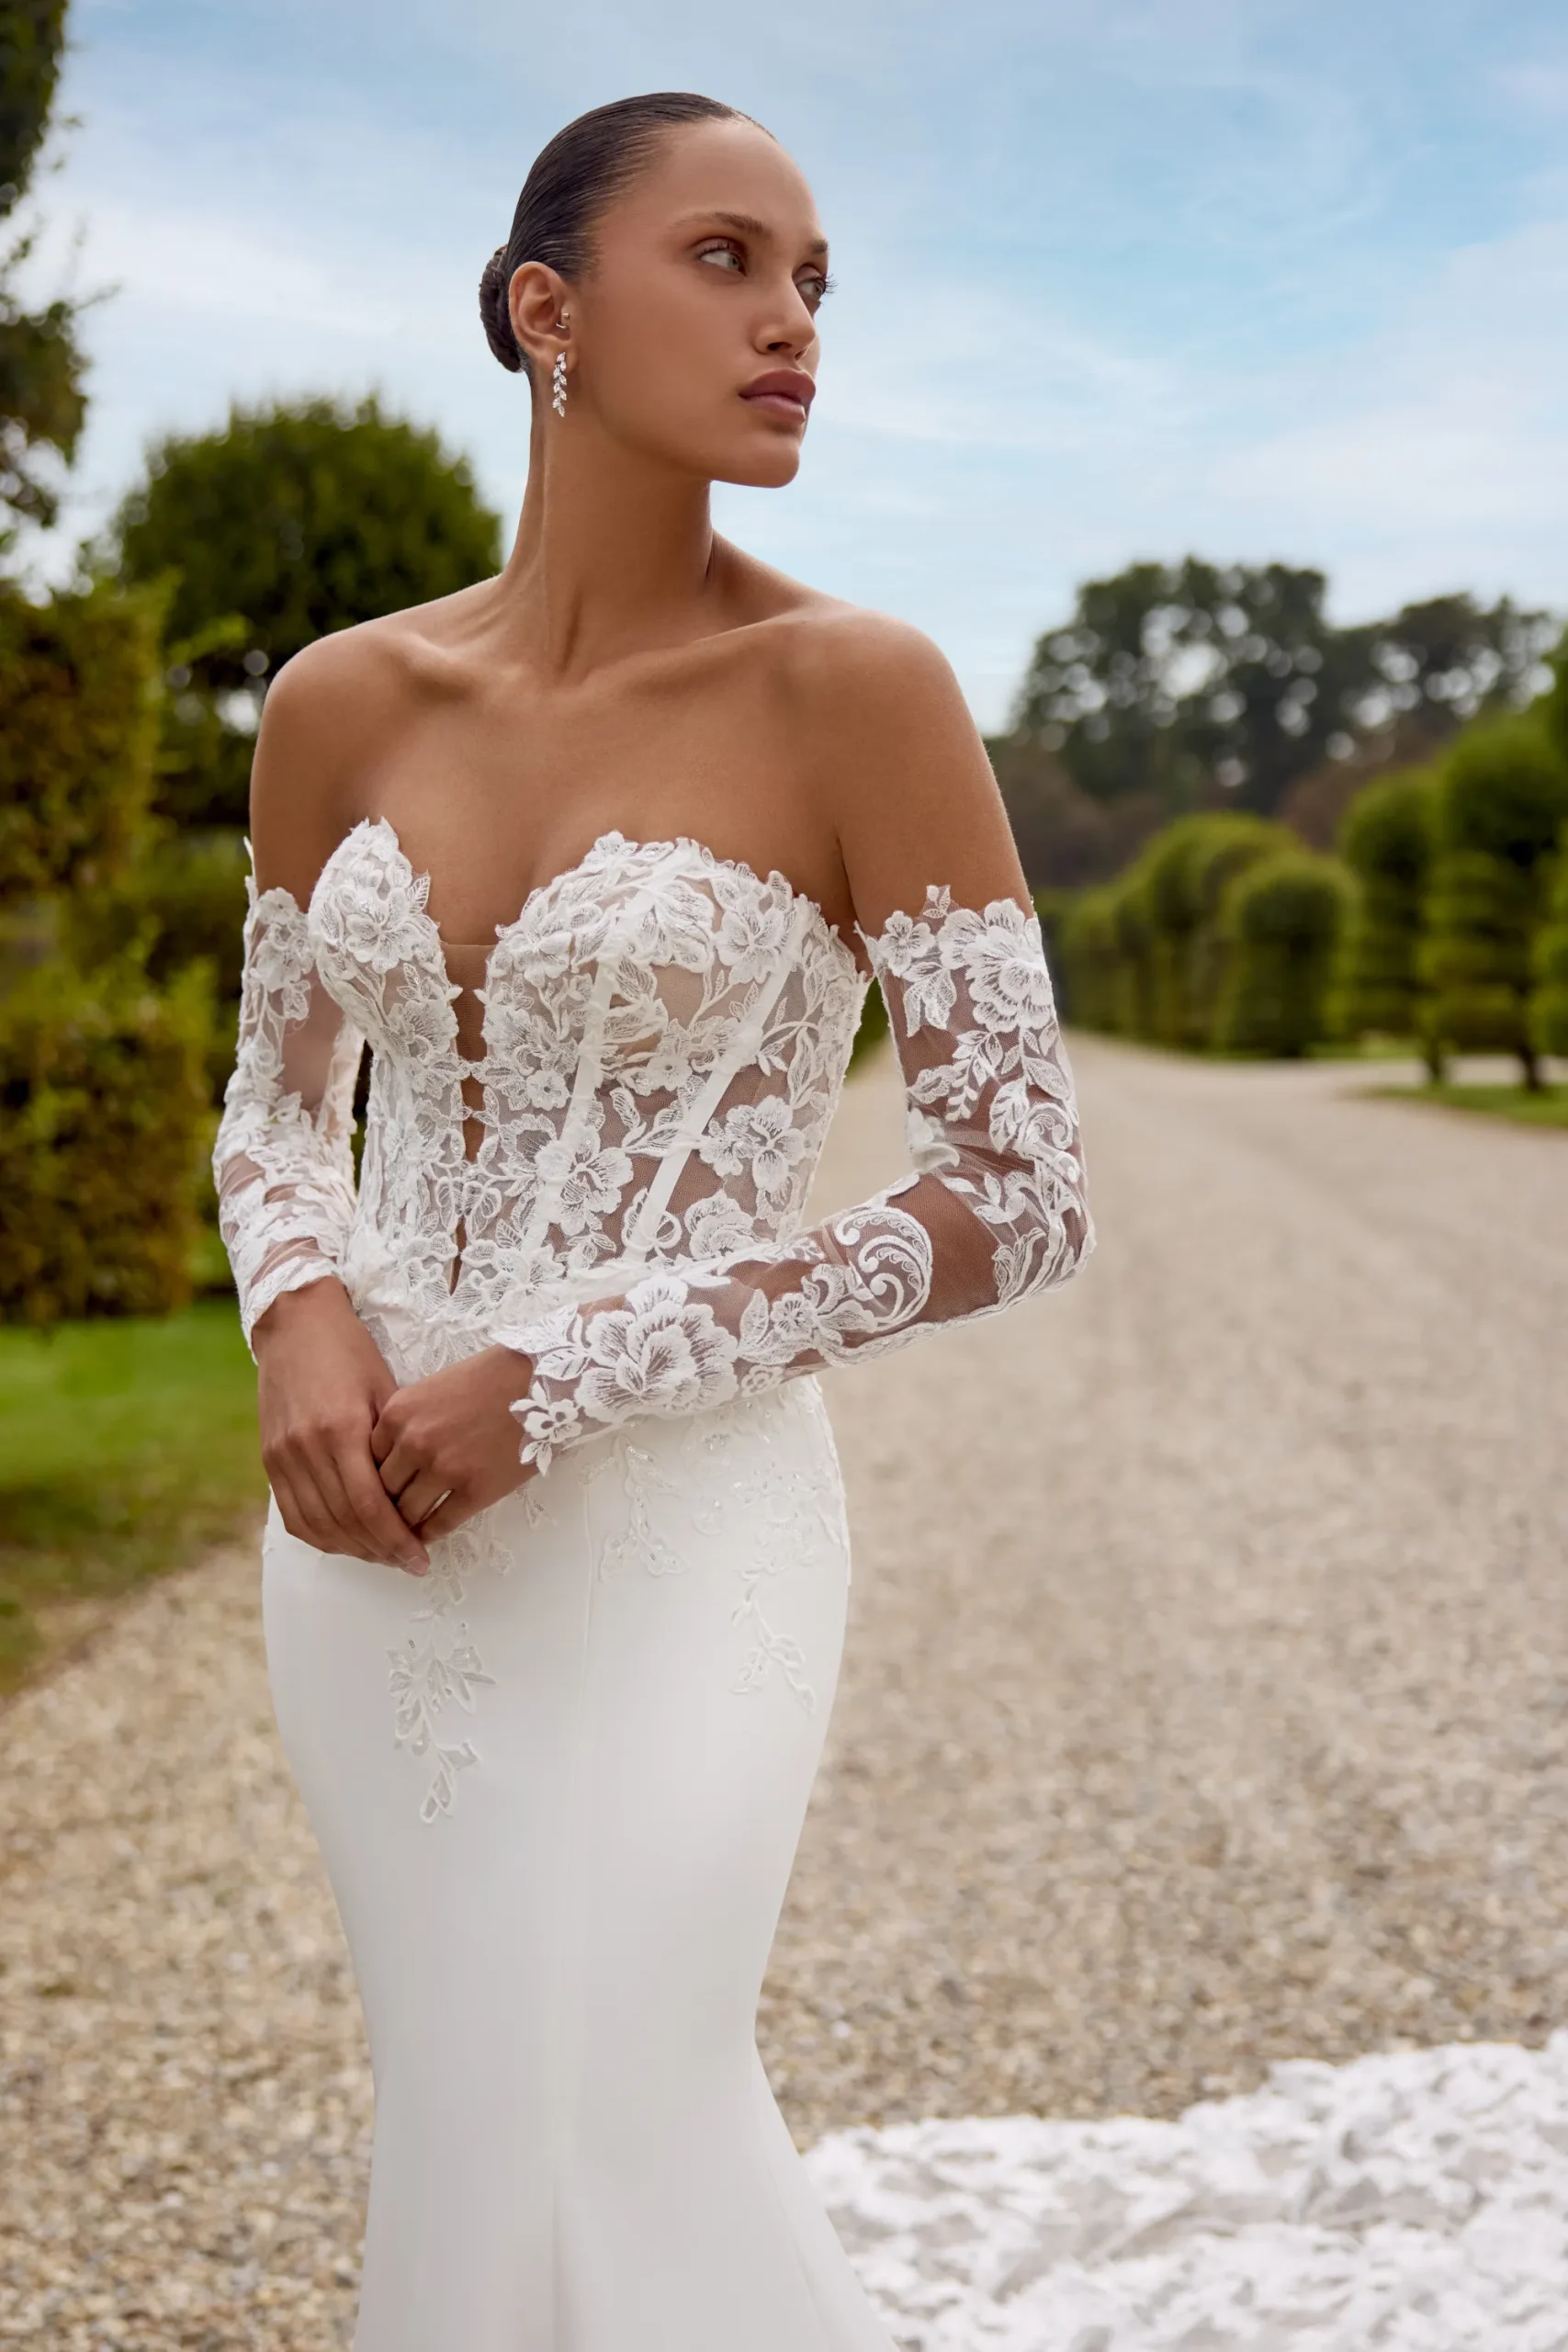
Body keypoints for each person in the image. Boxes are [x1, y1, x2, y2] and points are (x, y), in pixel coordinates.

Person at [215, 88, 1092, 2352]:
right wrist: (302, 1318)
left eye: (815, 283)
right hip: (372, 1538)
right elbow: (276, 1101)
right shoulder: (337, 702)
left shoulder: (855, 690)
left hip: (681, 1515)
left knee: (621, 2084)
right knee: (473, 2105)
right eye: (729, 259)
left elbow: (1020, 1184)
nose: (794, 319)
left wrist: (567, 1369)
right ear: (548, 312)